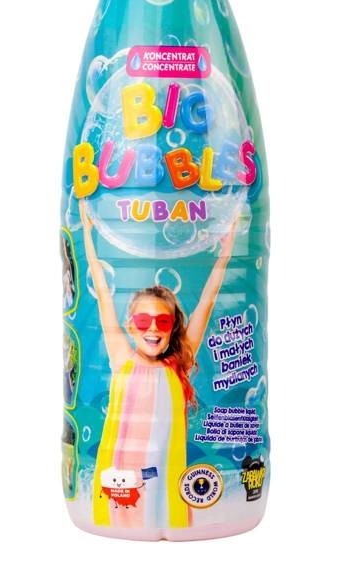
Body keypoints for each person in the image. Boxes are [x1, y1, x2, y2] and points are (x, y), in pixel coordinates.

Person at [80, 200, 236, 529]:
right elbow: (103, 292)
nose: (152, 329)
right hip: (121, 484)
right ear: (131, 325)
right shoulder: (122, 358)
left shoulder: (179, 364)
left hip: (165, 487)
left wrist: (227, 249)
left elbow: (208, 300)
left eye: (162, 322)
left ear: (172, 328)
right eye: (143, 320)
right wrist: (88, 235)